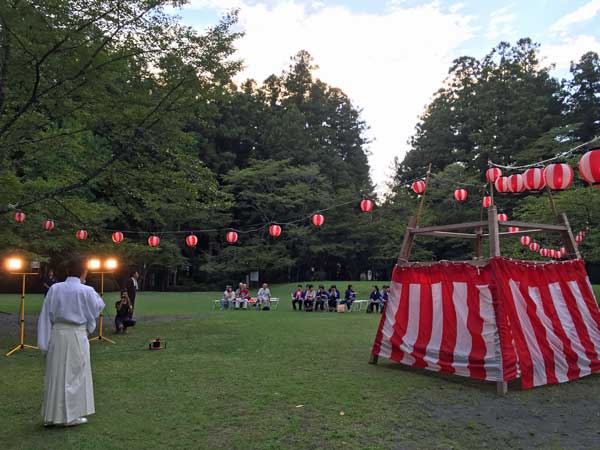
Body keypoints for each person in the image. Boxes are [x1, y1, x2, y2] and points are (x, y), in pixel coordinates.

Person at [37, 256, 105, 427]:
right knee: (74, 374)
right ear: (84, 271)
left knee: (57, 373)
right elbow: (98, 307)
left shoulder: (55, 289)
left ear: (68, 271)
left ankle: (52, 416)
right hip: (75, 335)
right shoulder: (86, 290)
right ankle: (69, 416)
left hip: (58, 335)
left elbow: (46, 315)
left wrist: (44, 341)